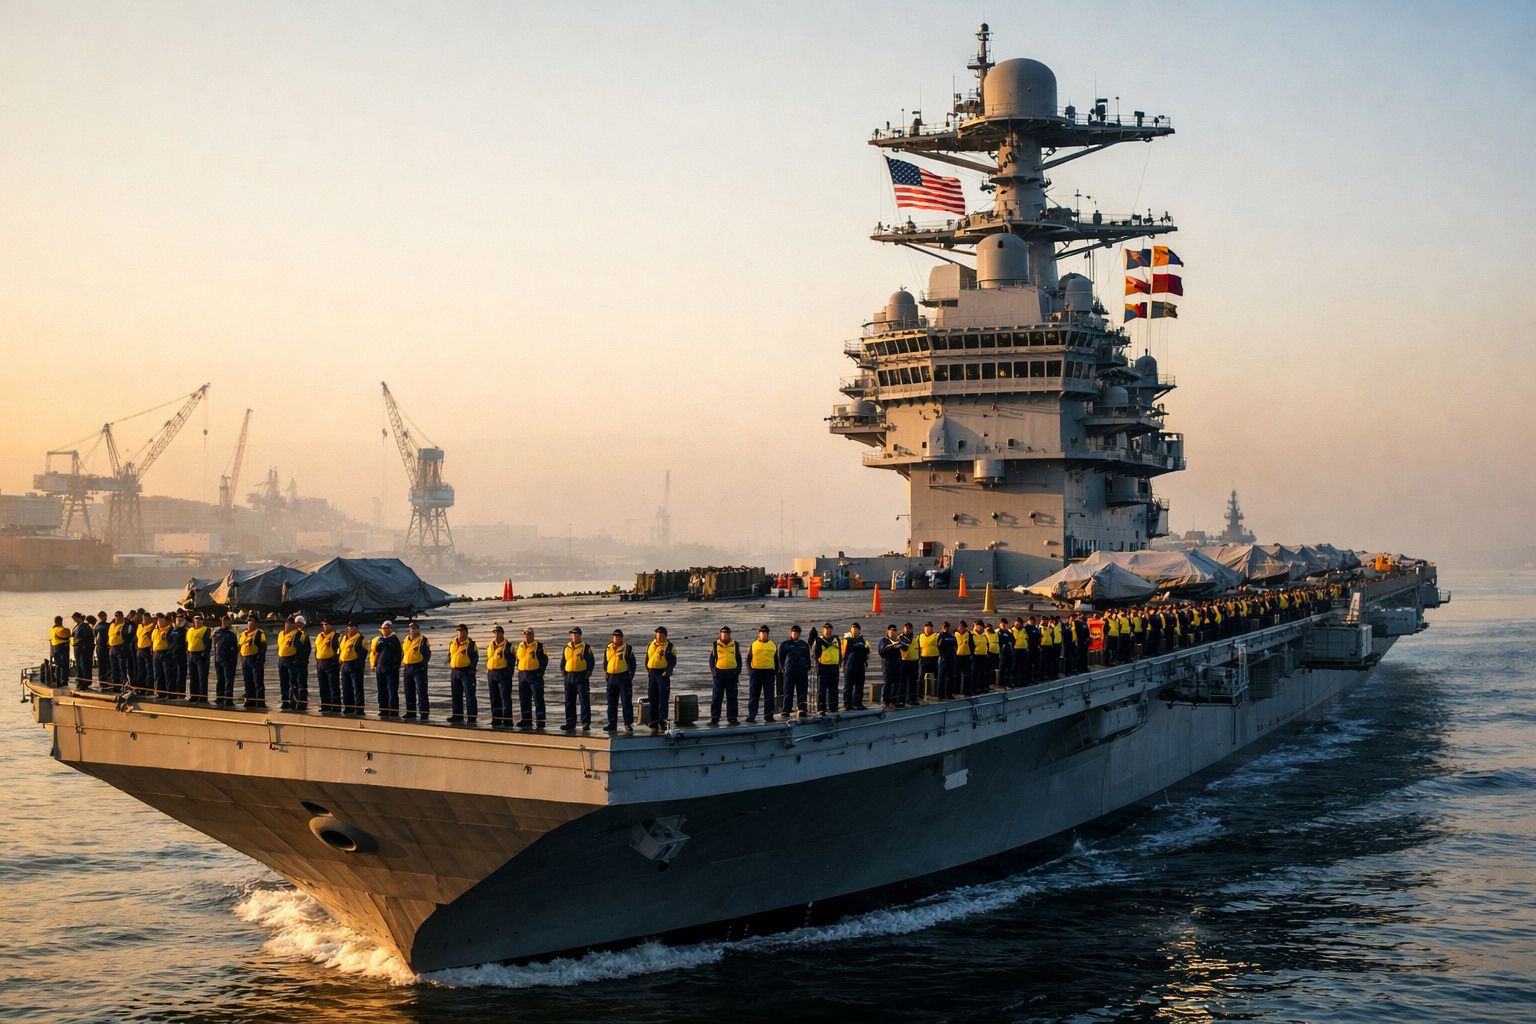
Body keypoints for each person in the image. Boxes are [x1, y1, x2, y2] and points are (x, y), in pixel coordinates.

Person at [514, 628, 549, 730]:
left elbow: (544, 659)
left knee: (538, 698)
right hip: (523, 674)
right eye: (525, 634)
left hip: (535, 675)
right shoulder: (520, 645)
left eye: (528, 634)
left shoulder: (539, 646)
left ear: (533, 634)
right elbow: (518, 658)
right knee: (524, 698)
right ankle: (526, 719)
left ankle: (540, 720)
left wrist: (540, 672)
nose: (526, 636)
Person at [561, 627, 595, 732]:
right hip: (569, 677)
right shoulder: (567, 647)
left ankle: (585, 722)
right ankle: (570, 722)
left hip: (581, 676)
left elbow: (591, 661)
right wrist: (563, 671)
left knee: (584, 701)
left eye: (576, 634)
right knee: (569, 701)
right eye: (572, 635)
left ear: (580, 635)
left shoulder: (586, 647)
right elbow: (563, 660)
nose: (574, 636)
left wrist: (588, 673)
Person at [707, 626, 741, 726]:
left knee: (732, 697)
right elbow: (711, 660)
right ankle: (715, 717)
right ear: (720, 634)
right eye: (723, 633)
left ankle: (732, 717)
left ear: (729, 634)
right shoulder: (715, 644)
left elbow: (739, 659)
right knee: (717, 697)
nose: (724, 635)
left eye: (726, 633)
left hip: (732, 674)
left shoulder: (735, 644)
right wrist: (713, 672)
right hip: (719, 674)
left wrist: (738, 671)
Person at [645, 626, 676, 733]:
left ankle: (662, 721)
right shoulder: (651, 645)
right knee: (653, 699)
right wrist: (649, 670)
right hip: (652, 674)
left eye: (660, 634)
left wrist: (667, 672)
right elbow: (647, 658)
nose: (658, 636)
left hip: (662, 675)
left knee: (663, 700)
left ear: (664, 635)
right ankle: (653, 722)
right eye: (657, 634)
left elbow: (673, 661)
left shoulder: (669, 646)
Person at [604, 628, 636, 732]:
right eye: (614, 637)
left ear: (621, 638)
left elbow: (632, 663)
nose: (615, 638)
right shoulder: (608, 648)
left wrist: (630, 676)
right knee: (611, 703)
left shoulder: (627, 648)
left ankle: (628, 723)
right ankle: (612, 723)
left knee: (626, 702)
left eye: (617, 637)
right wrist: (607, 672)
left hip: (623, 678)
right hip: (611, 678)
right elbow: (606, 661)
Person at [448, 623, 480, 725]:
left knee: (470, 695)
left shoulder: (471, 644)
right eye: (458, 631)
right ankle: (457, 716)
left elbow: (475, 658)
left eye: (461, 631)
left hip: (466, 673)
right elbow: (450, 655)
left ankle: (471, 717)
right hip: (455, 672)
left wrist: (471, 670)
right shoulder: (452, 643)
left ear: (466, 632)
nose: (459, 633)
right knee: (456, 695)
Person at [371, 620, 403, 717]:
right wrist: (374, 664)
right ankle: (383, 710)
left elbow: (399, 654)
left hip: (391, 669)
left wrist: (396, 665)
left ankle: (393, 711)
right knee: (381, 690)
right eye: (383, 628)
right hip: (380, 669)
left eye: (387, 628)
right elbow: (375, 652)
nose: (385, 630)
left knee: (392, 691)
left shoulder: (394, 639)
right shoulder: (379, 640)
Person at [746, 625, 777, 722]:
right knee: (754, 695)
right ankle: (752, 716)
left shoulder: (773, 645)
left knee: (769, 696)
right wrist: (749, 670)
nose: (763, 634)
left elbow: (776, 660)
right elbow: (748, 658)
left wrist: (775, 672)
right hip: (756, 672)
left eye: (765, 632)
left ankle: (769, 715)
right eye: (761, 632)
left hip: (768, 673)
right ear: (759, 634)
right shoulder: (753, 644)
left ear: (768, 634)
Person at [401, 621, 431, 719]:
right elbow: (403, 652)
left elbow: (427, 655)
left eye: (414, 628)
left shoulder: (423, 640)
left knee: (421, 690)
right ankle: (410, 712)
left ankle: (424, 713)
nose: (412, 630)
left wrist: (423, 665)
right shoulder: (406, 639)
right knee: (409, 691)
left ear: (418, 629)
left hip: (419, 668)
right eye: (410, 628)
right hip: (407, 668)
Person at [778, 624, 809, 718]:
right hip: (789, 671)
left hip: (801, 672)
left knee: (802, 692)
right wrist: (782, 667)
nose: (795, 634)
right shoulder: (785, 644)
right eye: (794, 632)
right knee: (788, 691)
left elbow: (808, 657)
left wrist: (807, 667)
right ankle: (786, 710)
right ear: (791, 633)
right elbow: (780, 657)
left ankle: (802, 709)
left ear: (799, 634)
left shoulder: (804, 644)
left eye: (797, 632)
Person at [337, 621, 367, 715]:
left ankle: (359, 709)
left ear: (356, 628)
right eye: (348, 627)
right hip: (344, 664)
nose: (349, 629)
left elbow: (363, 654)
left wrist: (358, 665)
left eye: (351, 627)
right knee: (346, 687)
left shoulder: (361, 639)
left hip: (354, 665)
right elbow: (340, 650)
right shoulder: (343, 638)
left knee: (357, 688)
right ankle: (348, 707)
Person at [810, 622, 840, 714]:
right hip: (823, 667)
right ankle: (821, 709)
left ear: (832, 631)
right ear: (823, 631)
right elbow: (815, 653)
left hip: (834, 667)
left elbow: (840, 651)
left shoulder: (837, 639)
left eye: (829, 630)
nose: (828, 632)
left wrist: (840, 662)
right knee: (821, 690)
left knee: (834, 689)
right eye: (826, 630)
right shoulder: (818, 640)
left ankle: (833, 707)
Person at [484, 625, 511, 727]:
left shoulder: (508, 646)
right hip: (492, 673)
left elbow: (511, 661)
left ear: (502, 634)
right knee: (494, 697)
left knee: (505, 697)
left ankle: (507, 720)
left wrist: (508, 673)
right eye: (495, 633)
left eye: (499, 633)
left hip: (502, 673)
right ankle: (496, 718)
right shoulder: (490, 645)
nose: (497, 635)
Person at [276, 616, 305, 710]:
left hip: (291, 660)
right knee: (283, 682)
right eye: (286, 623)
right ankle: (285, 701)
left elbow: (301, 649)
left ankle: (294, 702)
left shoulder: (298, 634)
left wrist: (297, 660)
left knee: (293, 682)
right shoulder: (281, 634)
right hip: (281, 659)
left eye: (290, 624)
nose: (287, 625)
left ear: (293, 625)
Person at [239, 616, 268, 709]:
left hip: (255, 659)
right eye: (248, 621)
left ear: (256, 623)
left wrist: (260, 659)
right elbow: (240, 646)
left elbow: (263, 647)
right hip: (245, 659)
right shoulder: (243, 633)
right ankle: (249, 701)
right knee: (247, 681)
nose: (249, 623)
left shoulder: (260, 633)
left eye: (251, 621)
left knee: (258, 681)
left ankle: (260, 702)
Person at [313, 618, 341, 713]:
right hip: (320, 663)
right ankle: (325, 705)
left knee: (333, 685)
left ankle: (336, 707)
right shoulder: (319, 636)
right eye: (323, 625)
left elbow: (339, 650)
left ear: (331, 626)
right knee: (323, 685)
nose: (324, 626)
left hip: (331, 663)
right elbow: (317, 648)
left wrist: (335, 660)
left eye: (326, 625)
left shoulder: (336, 636)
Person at [841, 622, 870, 711]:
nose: (853, 629)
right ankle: (847, 704)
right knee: (848, 685)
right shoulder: (847, 640)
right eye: (852, 628)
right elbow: (843, 653)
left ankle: (857, 702)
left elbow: (868, 654)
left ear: (859, 630)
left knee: (859, 685)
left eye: (855, 628)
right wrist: (843, 664)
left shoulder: (864, 641)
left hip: (860, 665)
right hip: (850, 665)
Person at [212, 615, 238, 705]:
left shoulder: (231, 634)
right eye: (224, 621)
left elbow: (235, 649)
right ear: (222, 622)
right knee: (220, 680)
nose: (226, 623)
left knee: (228, 680)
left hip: (228, 661)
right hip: (218, 660)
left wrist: (234, 661)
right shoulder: (217, 632)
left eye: (228, 621)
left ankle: (228, 699)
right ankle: (219, 698)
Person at [185, 613, 211, 702]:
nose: (197, 620)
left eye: (199, 619)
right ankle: (194, 696)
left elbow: (208, 644)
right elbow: (187, 642)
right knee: (193, 677)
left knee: (202, 677)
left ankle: (203, 697)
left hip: (201, 656)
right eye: (196, 619)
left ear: (202, 620)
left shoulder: (206, 629)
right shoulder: (189, 630)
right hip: (191, 655)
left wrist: (204, 654)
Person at [106, 610, 129, 690]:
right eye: (116, 616)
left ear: (122, 617)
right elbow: (109, 637)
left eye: (119, 616)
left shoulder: (123, 626)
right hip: (112, 648)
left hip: (120, 647)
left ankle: (123, 684)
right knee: (114, 668)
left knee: (122, 667)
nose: (117, 617)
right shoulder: (112, 626)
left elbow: (127, 638)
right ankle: (116, 685)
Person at [71, 612, 94, 688]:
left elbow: (88, 638)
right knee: (79, 665)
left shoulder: (85, 627)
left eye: (75, 619)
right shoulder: (77, 626)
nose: (74, 620)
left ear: (78, 618)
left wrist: (84, 646)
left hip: (83, 649)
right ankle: (80, 680)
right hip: (77, 648)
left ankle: (85, 681)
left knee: (84, 665)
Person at [134, 611, 155, 693]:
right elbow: (137, 637)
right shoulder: (139, 627)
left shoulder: (151, 626)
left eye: (146, 619)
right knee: (140, 670)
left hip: (147, 649)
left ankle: (149, 688)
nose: (144, 621)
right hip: (140, 650)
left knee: (149, 669)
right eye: (143, 619)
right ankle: (140, 688)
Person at [900, 621, 920, 703]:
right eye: (906, 629)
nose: (907, 630)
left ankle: (912, 699)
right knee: (903, 682)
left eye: (909, 629)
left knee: (913, 682)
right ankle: (901, 699)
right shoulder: (901, 638)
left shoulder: (916, 638)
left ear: (911, 629)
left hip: (914, 662)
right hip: (904, 662)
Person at [48, 615, 71, 685]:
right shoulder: (65, 630)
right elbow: (68, 636)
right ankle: (64, 680)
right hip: (65, 647)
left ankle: (58, 679)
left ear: (55, 622)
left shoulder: (52, 630)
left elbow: (51, 639)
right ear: (61, 621)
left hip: (55, 648)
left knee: (58, 664)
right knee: (65, 664)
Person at [93, 611, 110, 689]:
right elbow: (95, 636)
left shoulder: (97, 626)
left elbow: (95, 636)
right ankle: (104, 680)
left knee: (104, 664)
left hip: (103, 646)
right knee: (104, 664)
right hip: (103, 646)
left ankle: (104, 680)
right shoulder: (105, 625)